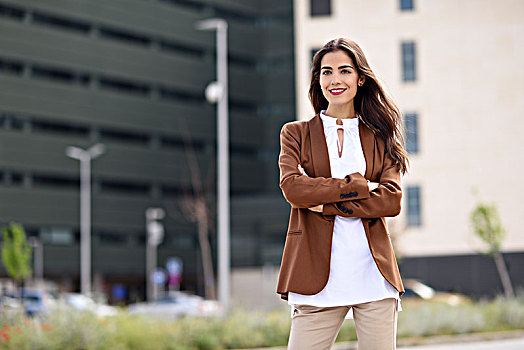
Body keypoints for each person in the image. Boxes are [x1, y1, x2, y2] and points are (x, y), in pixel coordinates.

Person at [277, 38, 409, 350]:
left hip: (373, 276)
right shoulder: (295, 134)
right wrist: (360, 186)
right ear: (318, 79)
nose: (335, 80)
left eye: (344, 71)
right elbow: (293, 189)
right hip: (315, 276)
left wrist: (324, 204)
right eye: (326, 72)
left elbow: (391, 200)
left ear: (360, 78)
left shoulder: (380, 136)